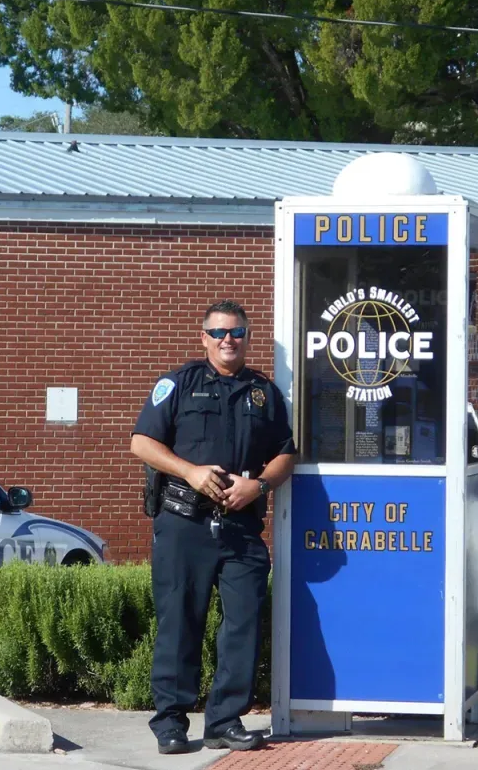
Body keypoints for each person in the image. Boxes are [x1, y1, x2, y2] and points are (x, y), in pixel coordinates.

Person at [131, 299, 296, 755]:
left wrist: (258, 485)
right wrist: (190, 472)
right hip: (184, 523)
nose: (229, 340)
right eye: (220, 332)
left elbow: (287, 453)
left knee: (241, 625)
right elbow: (142, 442)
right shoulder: (178, 384)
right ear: (203, 338)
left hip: (240, 527)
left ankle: (225, 720)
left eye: (237, 332)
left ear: (247, 338)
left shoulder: (264, 393)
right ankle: (171, 723)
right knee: (180, 623)